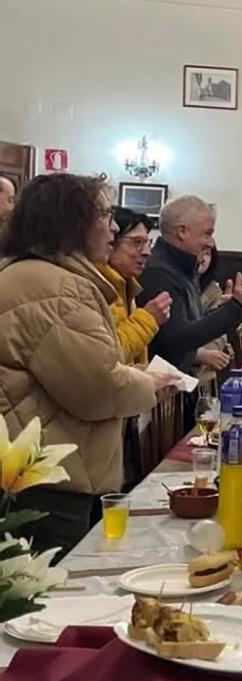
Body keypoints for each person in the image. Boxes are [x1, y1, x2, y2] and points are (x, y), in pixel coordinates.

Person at [0, 175, 171, 552]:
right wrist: (149, 384)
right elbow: (97, 389)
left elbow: (82, 368)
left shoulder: (40, 276)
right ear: (72, 222)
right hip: (50, 480)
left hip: (45, 470)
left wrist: (133, 374)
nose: (112, 226)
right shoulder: (55, 288)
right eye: (104, 215)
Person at [137, 194, 242, 377]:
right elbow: (179, 339)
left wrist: (228, 307)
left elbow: (192, 324)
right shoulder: (159, 273)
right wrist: (236, 307)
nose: (210, 242)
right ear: (182, 231)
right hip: (162, 388)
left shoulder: (182, 268)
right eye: (207, 233)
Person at [101, 207, 171, 366]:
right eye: (137, 242)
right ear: (110, 241)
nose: (147, 252)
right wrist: (149, 318)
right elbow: (107, 357)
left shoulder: (127, 286)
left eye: (147, 243)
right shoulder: (98, 287)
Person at [194, 243, 233, 382]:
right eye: (200, 252)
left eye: (208, 254)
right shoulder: (173, 284)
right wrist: (198, 355)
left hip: (203, 369)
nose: (203, 259)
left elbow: (219, 334)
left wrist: (229, 312)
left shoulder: (213, 290)